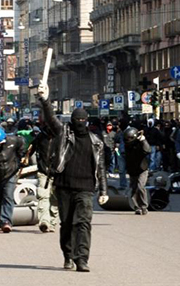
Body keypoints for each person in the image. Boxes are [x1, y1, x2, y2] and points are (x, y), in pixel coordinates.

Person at [37, 83, 108, 272]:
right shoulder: (63, 133)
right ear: (72, 120)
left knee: (83, 223)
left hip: (85, 188)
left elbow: (101, 167)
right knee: (67, 223)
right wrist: (45, 99)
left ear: (87, 121)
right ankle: (68, 255)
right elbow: (51, 119)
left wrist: (103, 190)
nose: (80, 122)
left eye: (83, 119)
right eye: (77, 119)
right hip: (64, 186)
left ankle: (82, 259)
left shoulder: (96, 142)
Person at [28, 118, 59, 232]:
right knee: (43, 196)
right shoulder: (40, 137)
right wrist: (23, 158)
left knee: (55, 199)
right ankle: (44, 222)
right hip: (43, 172)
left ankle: (52, 222)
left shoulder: (62, 138)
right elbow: (30, 149)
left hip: (58, 173)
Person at [123, 127, 152, 215]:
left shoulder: (140, 143)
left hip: (142, 169)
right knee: (134, 188)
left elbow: (148, 150)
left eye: (129, 138)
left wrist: (143, 140)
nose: (128, 140)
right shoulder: (127, 145)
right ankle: (137, 207)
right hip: (132, 169)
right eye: (126, 138)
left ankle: (144, 206)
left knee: (140, 186)